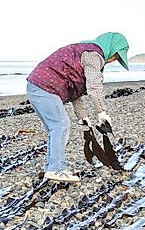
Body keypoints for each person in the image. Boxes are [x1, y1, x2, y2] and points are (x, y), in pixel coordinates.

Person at [26, 32, 129, 183]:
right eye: (116, 56)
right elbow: (94, 86)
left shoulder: (82, 52)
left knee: (54, 129)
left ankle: (51, 167)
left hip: (35, 86)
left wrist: (83, 117)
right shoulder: (94, 55)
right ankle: (57, 169)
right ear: (111, 48)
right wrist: (102, 113)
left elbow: (75, 92)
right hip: (46, 87)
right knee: (61, 125)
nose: (113, 60)